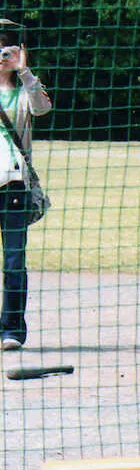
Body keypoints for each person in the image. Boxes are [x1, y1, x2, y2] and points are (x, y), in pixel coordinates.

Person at [0, 19, 52, 352]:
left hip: (14, 185)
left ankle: (12, 329)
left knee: (15, 259)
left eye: (6, 48)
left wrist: (24, 71)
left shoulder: (24, 89)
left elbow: (43, 108)